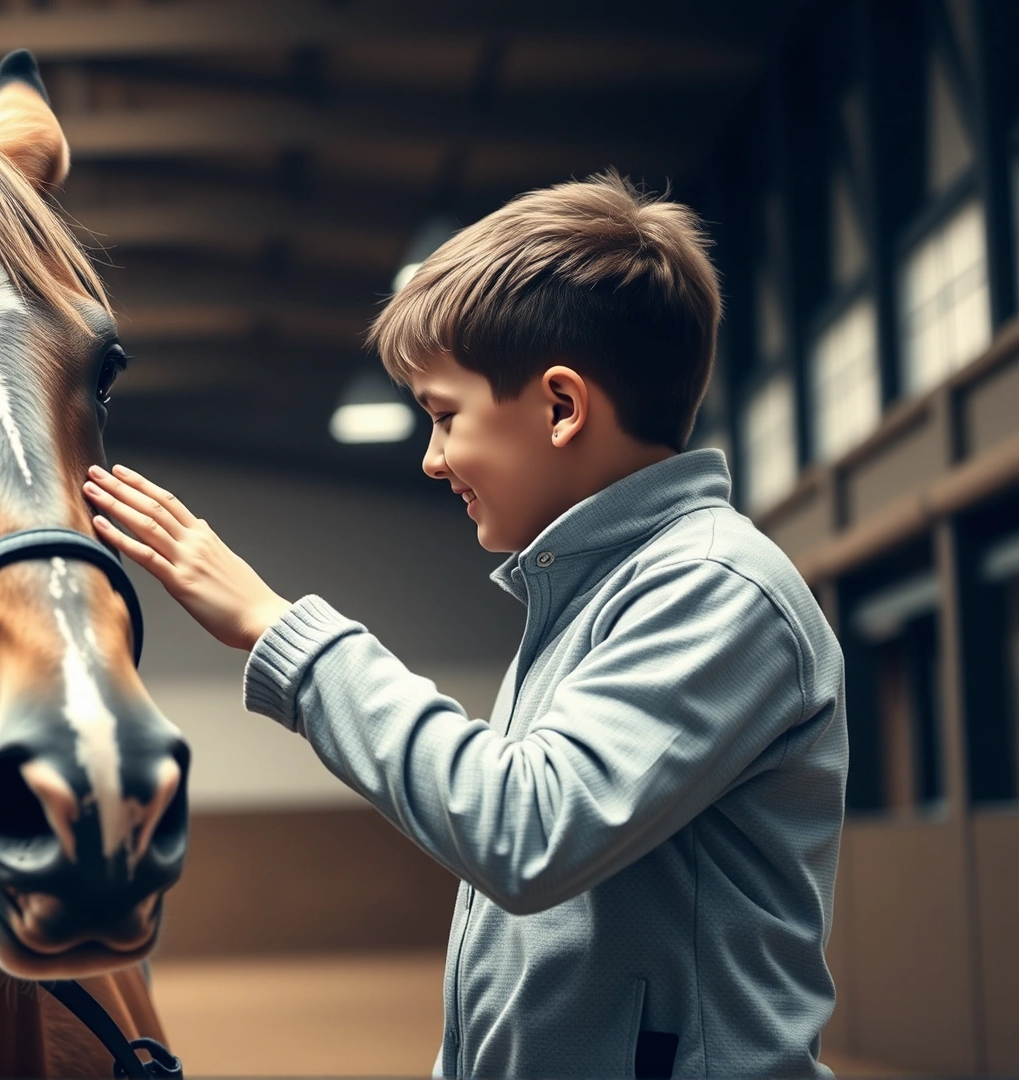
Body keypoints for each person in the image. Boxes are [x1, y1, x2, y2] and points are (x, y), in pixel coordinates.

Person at [84, 173, 846, 1080]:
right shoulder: (588, 595)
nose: (432, 457)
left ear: (561, 406)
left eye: (446, 416)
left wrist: (276, 629)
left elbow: (525, 830)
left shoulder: (716, 590)